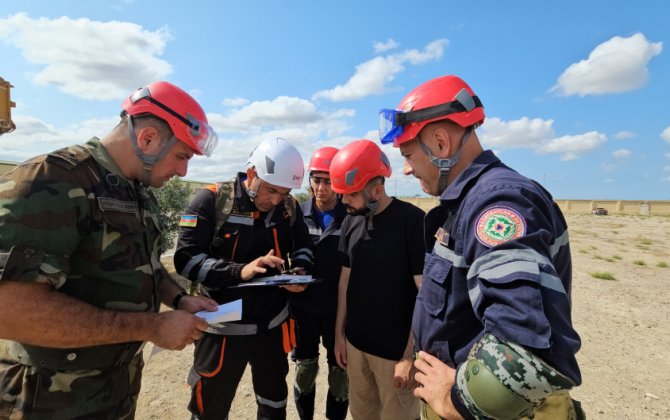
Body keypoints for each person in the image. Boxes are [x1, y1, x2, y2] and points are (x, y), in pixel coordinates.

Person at [0, 80, 219, 419]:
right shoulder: (51, 181)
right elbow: (10, 311)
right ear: (148, 138)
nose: (183, 171)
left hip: (115, 392)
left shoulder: (138, 192)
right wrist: (151, 327)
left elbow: (146, 266)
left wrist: (179, 299)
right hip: (47, 400)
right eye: (181, 156)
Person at [379, 74, 583, 419]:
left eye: (409, 153)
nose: (407, 168)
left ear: (441, 143)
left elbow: (525, 354)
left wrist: (455, 401)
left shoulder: (496, 203)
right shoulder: (469, 202)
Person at [174, 137, 315, 420]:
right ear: (251, 174)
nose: (275, 200)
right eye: (271, 190)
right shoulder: (211, 201)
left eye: (284, 192)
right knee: (209, 408)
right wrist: (240, 271)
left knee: (273, 403)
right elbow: (185, 259)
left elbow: (303, 246)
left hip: (272, 326)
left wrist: (299, 269)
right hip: (222, 327)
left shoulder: (288, 206)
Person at [332, 139, 425, 420]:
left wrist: (410, 356)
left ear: (376, 189)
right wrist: (339, 335)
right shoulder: (350, 221)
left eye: (350, 194)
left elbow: (425, 296)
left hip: (394, 356)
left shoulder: (412, 222)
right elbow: (345, 282)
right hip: (356, 348)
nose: (343, 201)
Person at [289, 146, 349, 420]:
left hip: (340, 313)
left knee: (340, 373)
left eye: (328, 180)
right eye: (316, 180)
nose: (321, 187)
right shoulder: (296, 216)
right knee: (305, 370)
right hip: (304, 310)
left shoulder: (352, 218)